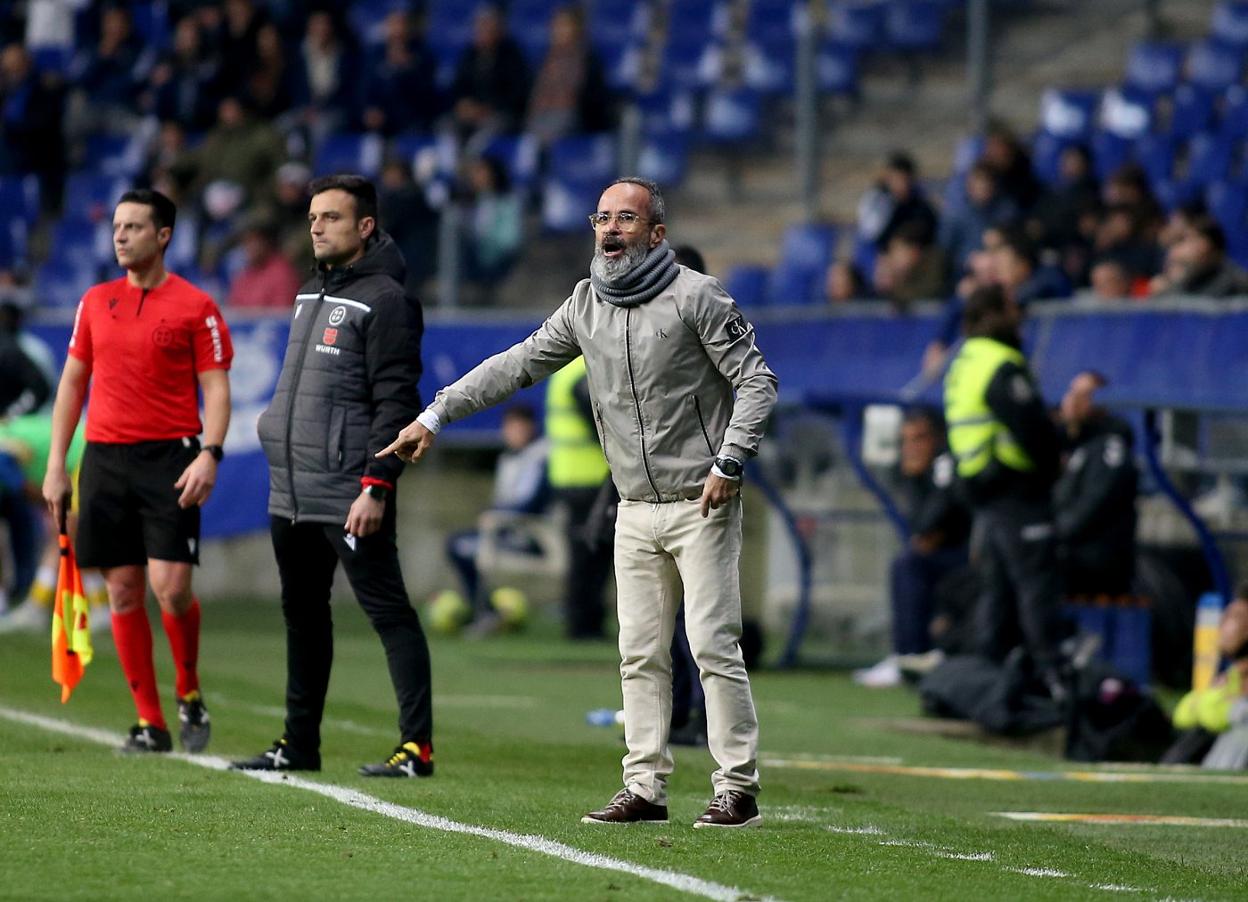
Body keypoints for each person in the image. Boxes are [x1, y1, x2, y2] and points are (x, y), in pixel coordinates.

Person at [379, 177, 777, 827]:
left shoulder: (697, 296)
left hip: (700, 500)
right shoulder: (585, 303)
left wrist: (731, 460)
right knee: (639, 651)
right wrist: (436, 414)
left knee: (711, 644)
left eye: (627, 219)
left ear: (657, 235)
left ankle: (737, 786)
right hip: (632, 506)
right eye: (602, 218)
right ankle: (645, 787)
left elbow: (756, 381)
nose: (611, 230)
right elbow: (517, 363)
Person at [231, 174, 434, 779]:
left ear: (365, 227)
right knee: (303, 617)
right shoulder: (308, 292)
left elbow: (396, 402)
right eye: (313, 217)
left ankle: (416, 748)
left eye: (331, 218)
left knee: (388, 612)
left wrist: (378, 483)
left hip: (348, 491)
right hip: (292, 491)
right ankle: (298, 744)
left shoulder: (389, 301)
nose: (315, 226)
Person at [42, 188, 233, 754]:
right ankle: (150, 723)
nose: (120, 235)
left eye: (134, 227)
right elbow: (72, 384)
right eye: (117, 226)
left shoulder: (196, 306)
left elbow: (216, 387)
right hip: (103, 459)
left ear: (164, 236)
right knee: (123, 590)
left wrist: (211, 452)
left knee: (170, 589)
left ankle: (189, 691)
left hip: (171, 458)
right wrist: (58, 464)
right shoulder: (95, 301)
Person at [943, 284, 1066, 699]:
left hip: (983, 487)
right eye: (1013, 307)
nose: (1020, 317)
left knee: (998, 590)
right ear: (994, 313)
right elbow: (1032, 428)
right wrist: (1054, 459)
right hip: (1015, 487)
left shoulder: (964, 361)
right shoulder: (1000, 363)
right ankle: (1052, 680)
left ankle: (992, 680)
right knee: (1036, 586)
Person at [854, 408, 971, 688]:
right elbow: (921, 526)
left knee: (908, 564)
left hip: (970, 554)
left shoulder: (947, 463)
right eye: (906, 440)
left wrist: (917, 483)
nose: (911, 447)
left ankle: (911, 655)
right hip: (947, 554)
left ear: (938, 438)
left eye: (919, 438)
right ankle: (907, 655)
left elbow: (932, 520)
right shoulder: (916, 472)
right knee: (909, 561)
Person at [443, 404, 548, 626]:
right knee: (456, 543)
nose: (513, 433)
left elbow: (533, 504)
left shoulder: (541, 457)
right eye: (509, 427)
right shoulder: (508, 459)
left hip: (530, 537)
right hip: (504, 531)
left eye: (519, 427)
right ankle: (484, 611)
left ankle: (485, 613)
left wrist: (497, 514)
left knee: (461, 547)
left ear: (531, 427)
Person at [545, 354, 612, 639]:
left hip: (570, 475)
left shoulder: (565, 371)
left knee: (585, 552)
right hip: (590, 478)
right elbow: (600, 424)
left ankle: (584, 621)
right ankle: (584, 624)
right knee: (592, 553)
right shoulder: (584, 371)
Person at [1054, 371, 1137, 598]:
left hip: (1094, 561)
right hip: (1071, 553)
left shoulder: (1110, 447)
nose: (1072, 400)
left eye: (1084, 395)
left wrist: (1053, 533)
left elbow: (1095, 503)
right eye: (1072, 392)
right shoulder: (1074, 446)